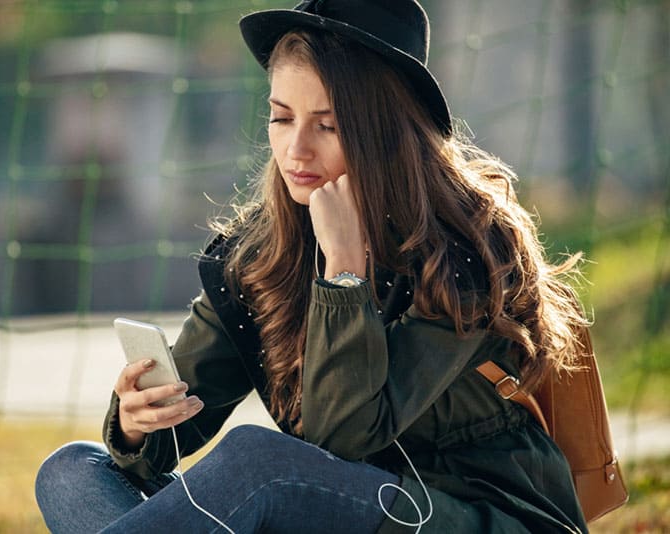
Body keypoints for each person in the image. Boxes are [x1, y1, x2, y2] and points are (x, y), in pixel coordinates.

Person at [35, 1, 590, 532]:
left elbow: (345, 439)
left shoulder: (466, 248)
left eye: (326, 125)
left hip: (466, 513)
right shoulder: (261, 252)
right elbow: (180, 425)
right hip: (327, 512)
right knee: (71, 473)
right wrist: (138, 427)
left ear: (387, 129)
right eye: (281, 117)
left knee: (257, 462)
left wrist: (344, 274)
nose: (295, 151)